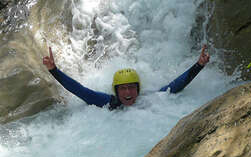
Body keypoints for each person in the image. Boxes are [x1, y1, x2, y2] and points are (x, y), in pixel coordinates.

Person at [43, 45, 210, 110]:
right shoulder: (107, 102)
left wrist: (199, 65)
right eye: (123, 88)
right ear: (116, 91)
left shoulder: (149, 100)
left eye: (131, 87)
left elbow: (175, 86)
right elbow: (79, 90)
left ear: (138, 89)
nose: (128, 92)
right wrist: (54, 70)